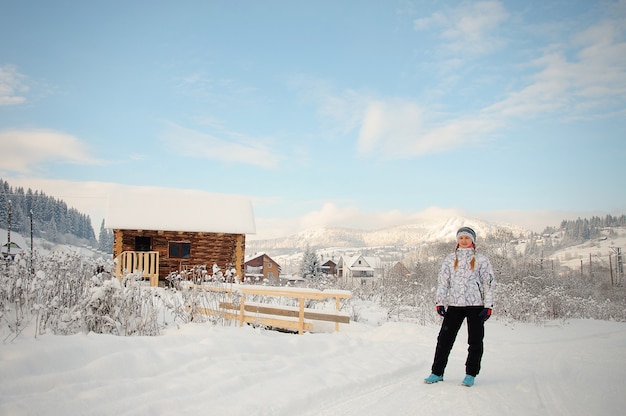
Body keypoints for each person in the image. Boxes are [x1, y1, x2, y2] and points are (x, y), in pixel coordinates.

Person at [424, 226, 495, 387]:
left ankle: (471, 374)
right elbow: (443, 282)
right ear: (457, 240)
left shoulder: (481, 260)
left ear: (473, 241)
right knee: (444, 339)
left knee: (475, 341)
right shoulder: (450, 259)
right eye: (461, 238)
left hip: (475, 305)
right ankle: (437, 372)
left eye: (467, 238)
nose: (464, 241)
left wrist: (488, 305)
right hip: (455, 305)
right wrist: (440, 302)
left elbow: (488, 283)